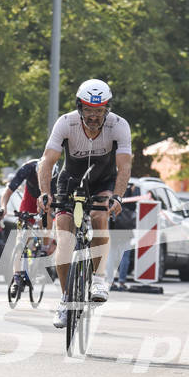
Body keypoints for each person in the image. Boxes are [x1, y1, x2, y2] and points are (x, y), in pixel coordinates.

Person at [37, 78, 132, 327]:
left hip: (104, 180)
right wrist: (44, 193)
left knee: (100, 216)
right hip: (70, 180)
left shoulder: (119, 126)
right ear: (80, 107)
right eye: (88, 109)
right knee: (65, 238)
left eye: (99, 110)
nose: (93, 116)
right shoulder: (65, 123)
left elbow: (124, 165)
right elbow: (47, 161)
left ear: (106, 109)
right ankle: (66, 301)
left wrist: (118, 195)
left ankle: (99, 279)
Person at [0, 159, 57, 298]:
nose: (43, 180)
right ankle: (17, 277)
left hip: (47, 201)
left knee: (47, 215)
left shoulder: (56, 175)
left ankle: (44, 246)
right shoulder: (28, 168)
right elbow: (8, 190)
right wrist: (3, 206)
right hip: (30, 199)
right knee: (21, 239)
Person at [106, 180, 139, 291]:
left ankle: (110, 281)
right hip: (127, 226)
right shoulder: (133, 188)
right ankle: (122, 281)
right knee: (125, 255)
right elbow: (134, 206)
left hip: (114, 224)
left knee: (111, 254)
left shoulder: (113, 186)